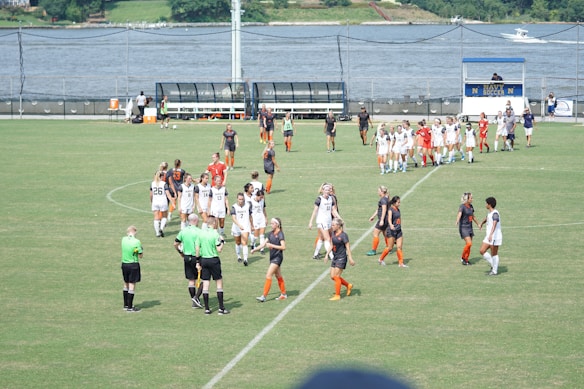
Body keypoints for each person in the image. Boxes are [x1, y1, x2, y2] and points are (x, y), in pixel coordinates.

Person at [195, 216, 229, 315]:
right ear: (214, 223)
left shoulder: (201, 233)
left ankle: (207, 309)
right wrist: (222, 241)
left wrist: (198, 261)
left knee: (205, 284)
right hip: (214, 260)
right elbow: (219, 249)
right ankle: (221, 308)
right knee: (219, 283)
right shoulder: (215, 234)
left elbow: (197, 249)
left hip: (204, 260)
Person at [252, 217, 287, 302]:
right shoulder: (271, 233)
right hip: (272, 257)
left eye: (272, 223)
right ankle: (283, 294)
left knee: (268, 275)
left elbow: (283, 247)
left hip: (277, 257)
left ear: (277, 224)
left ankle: (264, 296)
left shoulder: (280, 234)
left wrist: (272, 245)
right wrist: (255, 249)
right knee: (278, 275)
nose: (271, 225)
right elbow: (263, 244)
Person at [174, 213, 203, 309]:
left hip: (186, 257)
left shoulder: (183, 231)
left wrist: (180, 252)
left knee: (191, 280)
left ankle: (194, 301)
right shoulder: (199, 232)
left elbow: (175, 243)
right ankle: (196, 297)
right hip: (197, 257)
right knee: (204, 279)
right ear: (195, 221)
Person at [326, 217, 355, 301]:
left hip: (342, 258)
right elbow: (331, 245)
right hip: (335, 258)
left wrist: (350, 258)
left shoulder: (344, 235)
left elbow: (348, 248)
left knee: (336, 276)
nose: (332, 226)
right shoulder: (333, 233)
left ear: (338, 226)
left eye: (333, 225)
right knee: (332, 276)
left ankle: (337, 295)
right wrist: (327, 254)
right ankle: (348, 285)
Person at [309, 183, 339, 260]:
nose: (327, 191)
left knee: (321, 238)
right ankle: (332, 256)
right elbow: (315, 211)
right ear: (322, 190)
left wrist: (338, 218)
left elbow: (333, 210)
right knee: (328, 239)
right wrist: (311, 222)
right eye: (326, 190)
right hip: (321, 221)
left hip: (329, 220)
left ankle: (315, 254)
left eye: (328, 190)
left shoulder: (331, 199)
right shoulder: (319, 199)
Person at [378, 196, 407, 268]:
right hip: (392, 231)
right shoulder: (391, 210)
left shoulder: (398, 210)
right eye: (398, 202)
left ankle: (401, 263)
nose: (399, 203)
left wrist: (400, 225)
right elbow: (389, 219)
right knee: (390, 248)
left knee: (399, 247)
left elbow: (399, 219)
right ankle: (381, 259)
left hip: (398, 230)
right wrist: (391, 225)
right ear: (394, 203)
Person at [121, 225, 143, 312]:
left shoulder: (123, 239)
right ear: (135, 232)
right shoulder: (137, 242)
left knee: (125, 283)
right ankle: (130, 307)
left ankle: (125, 305)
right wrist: (140, 250)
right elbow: (140, 255)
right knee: (132, 284)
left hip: (124, 263)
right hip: (133, 264)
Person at [479, 197, 502, 276]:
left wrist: (491, 234)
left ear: (489, 205)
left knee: (494, 254)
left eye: (486, 203)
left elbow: (495, 223)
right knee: (482, 250)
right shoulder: (490, 213)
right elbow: (487, 218)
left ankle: (494, 271)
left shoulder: (495, 213)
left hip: (495, 237)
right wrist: (481, 223)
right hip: (488, 237)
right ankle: (493, 265)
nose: (485, 205)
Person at [455, 192, 479, 266]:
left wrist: (478, 224)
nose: (472, 199)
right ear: (467, 199)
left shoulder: (471, 206)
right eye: (471, 198)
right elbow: (459, 214)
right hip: (463, 227)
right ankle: (463, 257)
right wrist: (457, 220)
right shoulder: (462, 206)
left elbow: (473, 216)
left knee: (469, 245)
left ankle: (466, 259)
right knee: (469, 243)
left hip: (470, 227)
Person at [230, 192, 252, 266]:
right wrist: (239, 225)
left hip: (245, 226)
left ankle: (245, 259)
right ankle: (239, 256)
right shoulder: (234, 207)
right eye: (239, 199)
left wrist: (252, 225)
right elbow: (233, 218)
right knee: (238, 242)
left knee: (244, 242)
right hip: (236, 227)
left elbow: (250, 216)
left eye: (242, 199)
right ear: (237, 199)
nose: (241, 201)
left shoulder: (248, 206)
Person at [367, 186, 389, 256]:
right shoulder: (386, 198)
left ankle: (373, 250)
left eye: (378, 191)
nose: (377, 192)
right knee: (385, 234)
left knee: (375, 234)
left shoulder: (383, 200)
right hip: (386, 219)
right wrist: (373, 216)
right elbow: (379, 209)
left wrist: (381, 220)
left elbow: (384, 209)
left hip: (383, 219)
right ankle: (389, 247)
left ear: (382, 192)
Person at [150, 170, 173, 237]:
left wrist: (151, 201)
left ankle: (157, 233)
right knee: (164, 216)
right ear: (162, 176)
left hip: (155, 202)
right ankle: (161, 229)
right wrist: (172, 202)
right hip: (163, 201)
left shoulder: (152, 183)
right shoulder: (164, 184)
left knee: (156, 217)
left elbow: (151, 195)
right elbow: (168, 194)